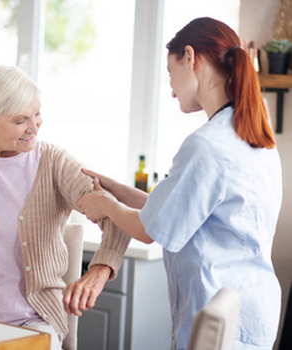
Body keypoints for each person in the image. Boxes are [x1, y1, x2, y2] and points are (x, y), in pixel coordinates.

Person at [72, 17, 283, 350]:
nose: (171, 89)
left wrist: (106, 206)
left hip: (221, 319)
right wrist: (115, 188)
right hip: (252, 310)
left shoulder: (208, 145)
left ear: (190, 57)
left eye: (170, 73)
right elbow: (176, 209)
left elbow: (149, 229)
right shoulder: (253, 137)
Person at [0, 65, 130, 350]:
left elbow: (115, 215)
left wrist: (100, 269)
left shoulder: (55, 163)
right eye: (20, 120)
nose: (34, 127)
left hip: (36, 320)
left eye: (37, 114)